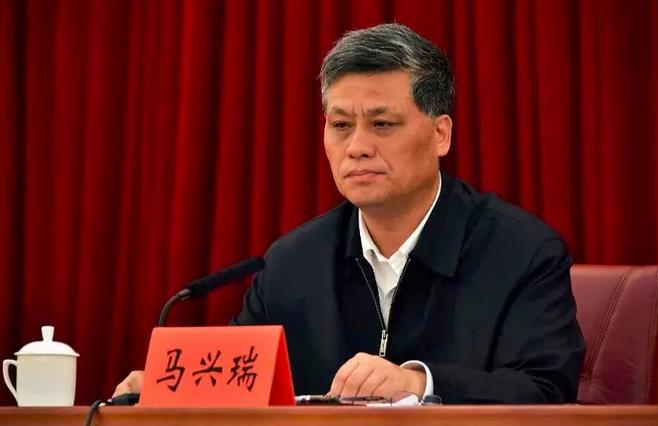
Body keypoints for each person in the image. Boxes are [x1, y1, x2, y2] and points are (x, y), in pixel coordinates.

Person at [115, 23, 585, 403]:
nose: (357, 147)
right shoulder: (291, 263)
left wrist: (420, 384)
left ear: (440, 134)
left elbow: (547, 391)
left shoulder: (521, 252)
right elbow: (243, 383)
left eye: (382, 124)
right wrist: (169, 388)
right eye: (340, 125)